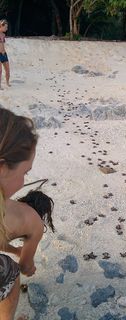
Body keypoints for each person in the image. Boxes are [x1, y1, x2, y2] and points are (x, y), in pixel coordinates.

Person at [0, 107, 40, 320]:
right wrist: (26, 264)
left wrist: (12, 248)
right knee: (10, 271)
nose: (25, 180)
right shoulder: (30, 221)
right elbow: (25, 266)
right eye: (25, 172)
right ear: (2, 168)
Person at [0, 19, 10, 89]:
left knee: (7, 70)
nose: (7, 29)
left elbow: (3, 44)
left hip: (4, 54)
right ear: (1, 26)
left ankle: (7, 82)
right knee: (0, 71)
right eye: (5, 27)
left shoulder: (3, 35)